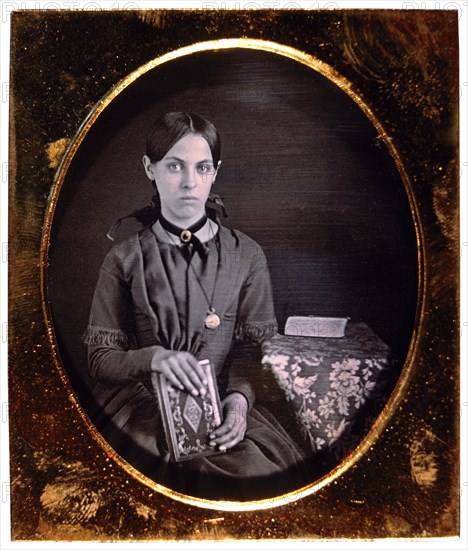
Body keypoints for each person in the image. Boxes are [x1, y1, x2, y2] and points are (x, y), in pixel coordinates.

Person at [83, 112, 309, 500]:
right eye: (174, 166)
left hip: (224, 409)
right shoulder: (124, 258)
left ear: (215, 172)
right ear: (149, 169)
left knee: (257, 481)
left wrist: (238, 404)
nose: (190, 182)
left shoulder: (247, 255)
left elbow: (254, 353)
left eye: (202, 168)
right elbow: (101, 359)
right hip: (142, 410)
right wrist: (152, 357)